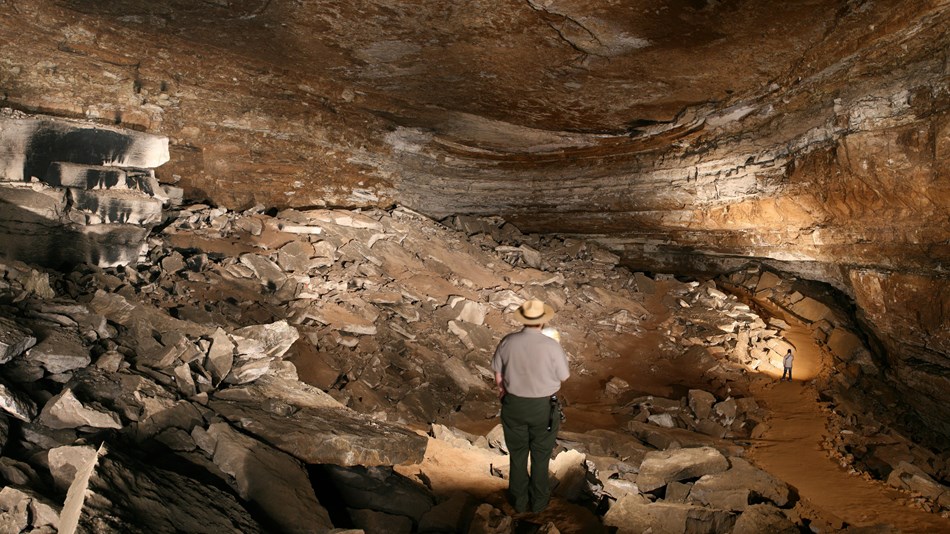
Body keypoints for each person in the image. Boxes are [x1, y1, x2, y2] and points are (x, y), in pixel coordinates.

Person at [492, 299, 570, 514]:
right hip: (543, 408)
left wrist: (503, 390)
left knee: (517, 455)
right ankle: (539, 504)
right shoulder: (551, 346)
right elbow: (564, 375)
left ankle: (518, 501)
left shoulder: (508, 342)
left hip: (513, 405)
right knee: (540, 455)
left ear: (523, 320)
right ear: (542, 321)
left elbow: (498, 374)